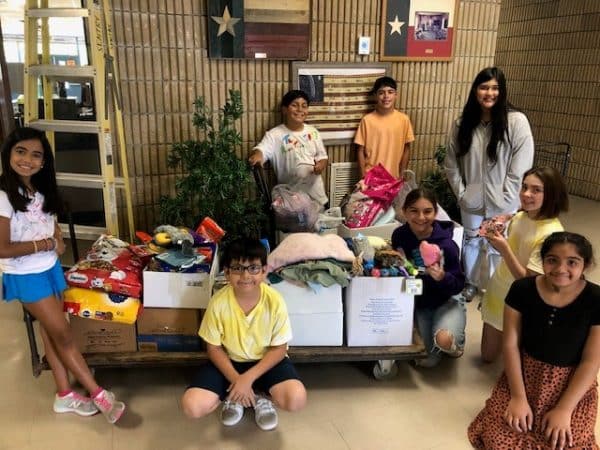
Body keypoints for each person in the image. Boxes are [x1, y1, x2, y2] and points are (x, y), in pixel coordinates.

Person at [0, 127, 125, 423]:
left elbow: (51, 225)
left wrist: (57, 240)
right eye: (20, 152)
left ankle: (64, 395)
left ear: (44, 161)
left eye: (36, 155)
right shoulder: (3, 195)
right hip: (26, 275)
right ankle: (98, 393)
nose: (27, 160)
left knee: (51, 331)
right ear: (8, 154)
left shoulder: (39, 189)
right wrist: (46, 244)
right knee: (65, 335)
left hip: (50, 268)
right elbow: (2, 249)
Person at [468, 232, 600, 450]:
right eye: (552, 260)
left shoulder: (596, 299)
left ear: (585, 265)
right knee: (498, 439)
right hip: (525, 376)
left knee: (567, 442)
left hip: (571, 384)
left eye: (572, 262)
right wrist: (518, 397)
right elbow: (510, 344)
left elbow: (591, 361)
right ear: (543, 261)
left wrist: (564, 410)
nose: (561, 269)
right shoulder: (522, 289)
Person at [181, 237, 307, 430]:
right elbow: (213, 348)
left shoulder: (275, 301)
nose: (245, 275)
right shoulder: (218, 302)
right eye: (237, 268)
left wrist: (247, 379)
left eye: (253, 268)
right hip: (229, 362)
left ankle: (260, 397)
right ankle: (236, 397)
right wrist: (237, 379)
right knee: (192, 406)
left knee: (296, 399)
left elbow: (280, 349)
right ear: (227, 272)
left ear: (264, 271)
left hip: (265, 363)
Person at [444, 66, 534, 302]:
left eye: (495, 88)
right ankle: (471, 283)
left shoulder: (516, 122)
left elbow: (521, 165)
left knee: (497, 245)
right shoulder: (462, 123)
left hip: (504, 199)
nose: (489, 93)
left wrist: (509, 198)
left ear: (502, 91)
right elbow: (451, 163)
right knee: (472, 241)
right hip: (471, 196)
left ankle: (494, 288)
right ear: (475, 90)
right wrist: (462, 193)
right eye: (484, 87)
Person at [479, 166, 568, 362]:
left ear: (551, 194)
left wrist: (503, 248)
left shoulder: (551, 235)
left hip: (520, 300)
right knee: (487, 356)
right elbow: (516, 225)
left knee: (515, 360)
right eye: (524, 187)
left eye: (536, 190)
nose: (526, 194)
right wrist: (498, 231)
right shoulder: (522, 215)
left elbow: (528, 281)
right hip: (498, 289)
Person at [391, 188, 465, 367]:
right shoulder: (399, 236)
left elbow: (459, 284)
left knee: (444, 340)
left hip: (447, 300)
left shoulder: (447, 245)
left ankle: (456, 344)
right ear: (404, 211)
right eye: (414, 211)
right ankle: (432, 336)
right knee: (427, 362)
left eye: (427, 211)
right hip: (420, 303)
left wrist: (443, 277)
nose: (421, 217)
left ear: (436, 213)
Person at [248, 89, 328, 206]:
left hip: (316, 198)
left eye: (304, 106)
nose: (300, 109)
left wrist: (321, 165)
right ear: (284, 110)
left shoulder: (313, 132)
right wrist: (257, 155)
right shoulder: (274, 135)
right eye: (294, 105)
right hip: (291, 201)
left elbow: (323, 157)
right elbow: (261, 150)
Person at [354, 76, 415, 180]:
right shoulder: (367, 120)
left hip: (394, 178)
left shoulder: (404, 119)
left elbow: (407, 148)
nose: (386, 96)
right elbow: (360, 150)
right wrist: (363, 177)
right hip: (371, 178)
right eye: (381, 93)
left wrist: (402, 173)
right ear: (375, 96)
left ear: (396, 95)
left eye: (390, 92)